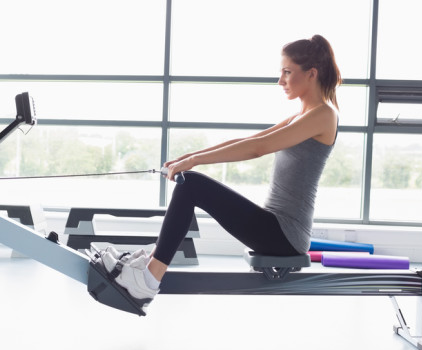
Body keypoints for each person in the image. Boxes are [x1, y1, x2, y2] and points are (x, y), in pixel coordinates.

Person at [100, 34, 342, 304]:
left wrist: (193, 163)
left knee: (191, 184)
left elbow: (258, 148)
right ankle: (148, 265)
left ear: (311, 74)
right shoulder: (304, 114)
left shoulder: (324, 114)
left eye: (287, 72)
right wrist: (190, 155)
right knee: (190, 181)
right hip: (275, 226)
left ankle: (148, 279)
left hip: (285, 235)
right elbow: (249, 140)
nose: (280, 80)